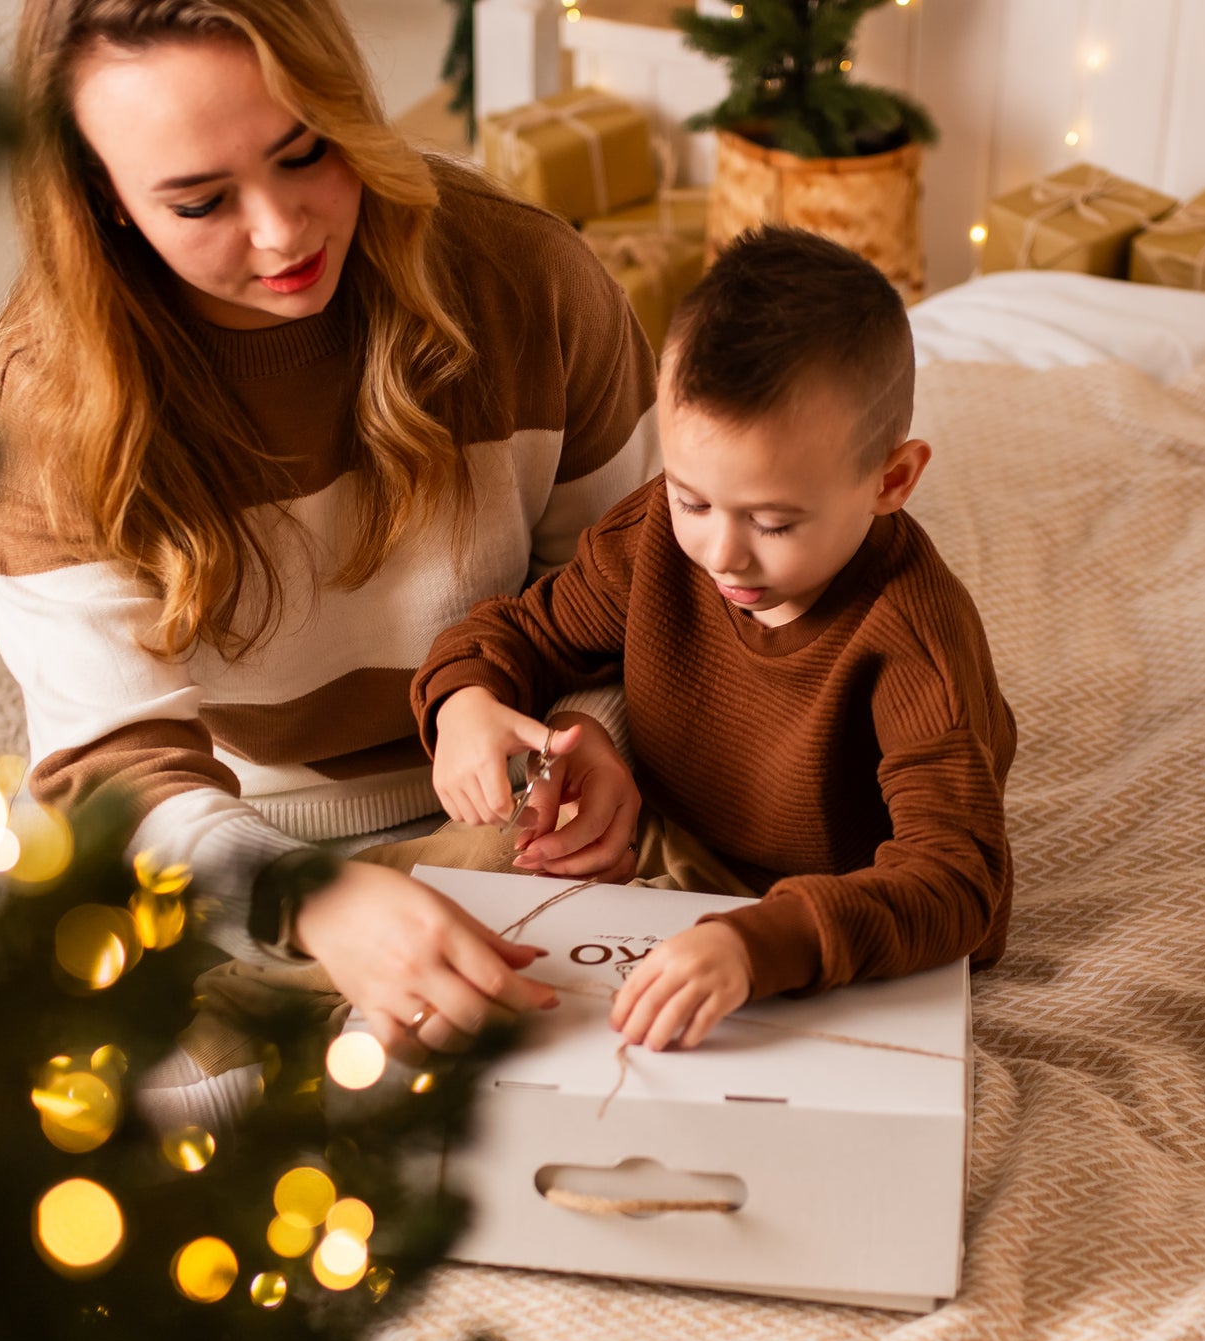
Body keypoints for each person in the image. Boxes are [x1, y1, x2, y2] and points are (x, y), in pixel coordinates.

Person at [0, 0, 659, 1097]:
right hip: (228, 831)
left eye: (307, 152)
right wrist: (312, 899)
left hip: (503, 789)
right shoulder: (45, 400)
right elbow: (117, 769)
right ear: (102, 202)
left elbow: (639, 583)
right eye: (199, 201)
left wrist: (592, 734)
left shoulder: (527, 277)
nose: (283, 233)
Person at [413, 226, 1017, 1053]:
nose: (721, 554)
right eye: (694, 501)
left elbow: (957, 883)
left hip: (823, 914)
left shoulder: (911, 638)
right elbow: (520, 629)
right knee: (442, 894)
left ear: (891, 479)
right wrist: (465, 703)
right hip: (658, 846)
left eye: (773, 522)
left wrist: (754, 944)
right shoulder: (654, 536)